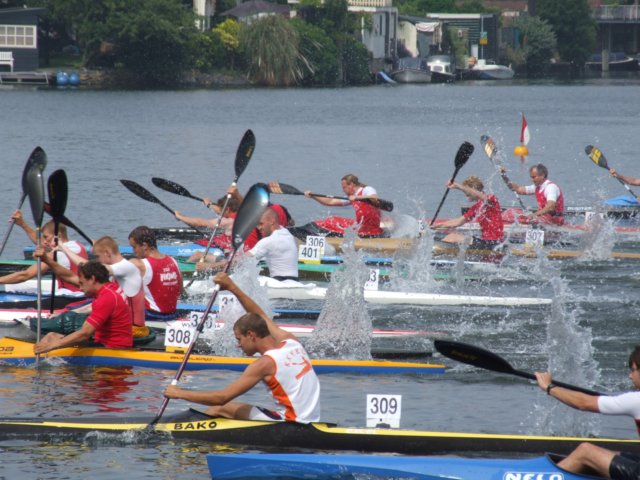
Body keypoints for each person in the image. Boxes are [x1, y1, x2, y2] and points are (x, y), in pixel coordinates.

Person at [164, 272, 321, 423]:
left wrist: (179, 393)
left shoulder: (264, 364)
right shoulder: (292, 342)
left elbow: (222, 398)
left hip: (291, 423)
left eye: (239, 339)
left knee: (218, 408)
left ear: (251, 335)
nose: (238, 345)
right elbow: (261, 316)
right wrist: (232, 287)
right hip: (311, 420)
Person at [535, 346, 640, 479]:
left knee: (586, 451)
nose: (630, 376)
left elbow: (583, 403)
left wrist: (549, 387)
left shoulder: (636, 400)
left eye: (633, 370)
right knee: (616, 455)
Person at [38, 236, 147, 335]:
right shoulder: (116, 275)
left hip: (133, 330)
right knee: (67, 321)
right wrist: (67, 313)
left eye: (98, 256)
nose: (97, 261)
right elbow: (95, 305)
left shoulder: (127, 267)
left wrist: (63, 248)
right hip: (121, 325)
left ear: (107, 253)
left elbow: (90, 267)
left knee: (64, 330)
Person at [33, 261, 133, 354]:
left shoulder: (107, 297)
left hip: (112, 348)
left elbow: (85, 333)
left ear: (92, 279)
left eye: (81, 283)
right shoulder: (111, 288)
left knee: (52, 339)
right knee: (53, 335)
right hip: (110, 343)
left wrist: (54, 345)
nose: (80, 288)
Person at [0, 214, 88, 292]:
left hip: (70, 296)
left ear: (59, 236)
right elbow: (42, 242)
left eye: (46, 237)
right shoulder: (78, 245)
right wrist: (23, 224)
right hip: (83, 293)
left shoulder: (55, 254)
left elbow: (25, 275)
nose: (44, 242)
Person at [431, 176, 504, 249]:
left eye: (466, 192)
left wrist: (457, 186)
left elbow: (477, 194)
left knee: (453, 237)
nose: (465, 194)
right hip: (485, 241)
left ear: (474, 190)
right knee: (452, 236)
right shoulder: (476, 207)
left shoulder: (491, 199)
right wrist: (436, 226)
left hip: (494, 243)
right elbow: (457, 222)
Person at [304, 174, 385, 238]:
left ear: (351, 185)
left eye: (344, 187)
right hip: (361, 228)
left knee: (336, 222)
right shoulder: (351, 197)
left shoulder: (367, 189)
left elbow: (375, 198)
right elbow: (330, 201)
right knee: (333, 220)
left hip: (373, 230)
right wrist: (313, 196)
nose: (343, 190)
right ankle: (312, 227)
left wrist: (357, 197)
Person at [128, 226, 182, 319]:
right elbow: (180, 290)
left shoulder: (140, 264)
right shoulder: (173, 261)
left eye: (134, 247)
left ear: (144, 246)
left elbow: (112, 270)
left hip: (151, 316)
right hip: (172, 315)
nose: (133, 251)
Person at [248, 207, 299, 281]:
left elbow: (244, 260)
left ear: (272, 221)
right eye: (257, 225)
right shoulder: (287, 233)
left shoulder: (268, 241)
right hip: (295, 281)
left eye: (261, 224)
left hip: (279, 283)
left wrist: (228, 261)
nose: (259, 228)